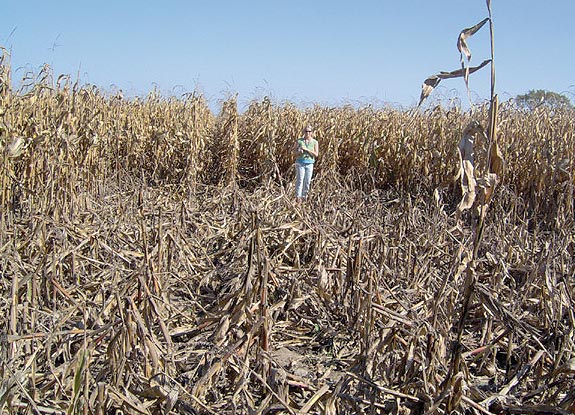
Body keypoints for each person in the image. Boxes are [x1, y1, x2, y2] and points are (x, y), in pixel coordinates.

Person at [294, 125, 319, 201]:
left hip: (310, 164)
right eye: (306, 131)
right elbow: (294, 152)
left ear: (312, 132)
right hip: (300, 163)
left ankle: (305, 197)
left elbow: (316, 154)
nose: (307, 133)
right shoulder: (299, 141)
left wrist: (306, 150)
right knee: (300, 180)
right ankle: (298, 198)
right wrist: (299, 152)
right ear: (303, 132)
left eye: (309, 131)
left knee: (307, 181)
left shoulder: (315, 142)